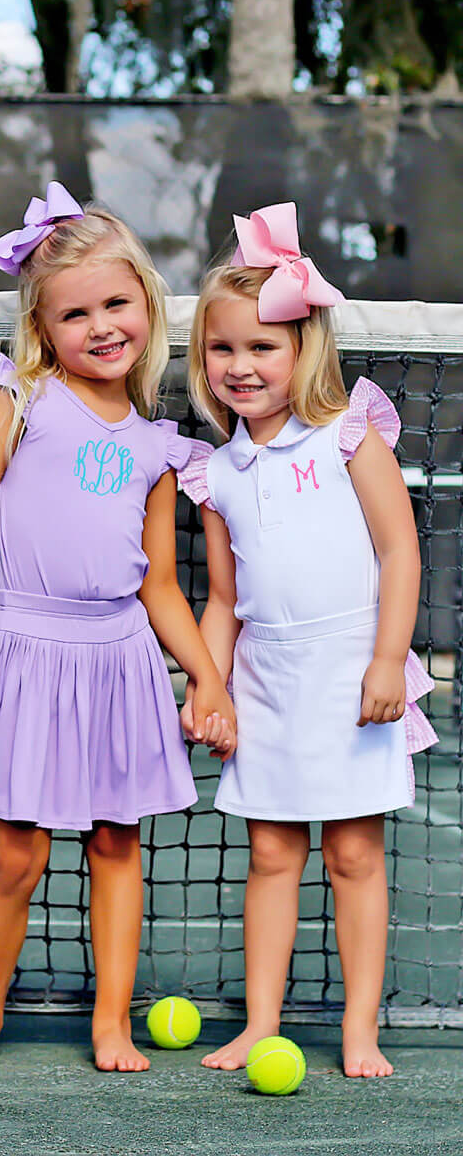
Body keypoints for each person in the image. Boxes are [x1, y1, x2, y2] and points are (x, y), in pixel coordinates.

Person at [0, 183, 235, 1070]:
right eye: (75, 314)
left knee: (117, 844)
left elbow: (160, 585)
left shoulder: (158, 445)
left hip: (121, 660)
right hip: (27, 655)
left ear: (146, 305)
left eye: (116, 304)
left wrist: (207, 676)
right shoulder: (20, 405)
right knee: (17, 853)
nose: (101, 326)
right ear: (42, 328)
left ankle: (111, 1024)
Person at [179, 202, 436, 1078]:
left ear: (303, 348)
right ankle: (260, 1024)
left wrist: (387, 659)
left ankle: (360, 1030)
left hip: (351, 673)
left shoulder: (347, 435)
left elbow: (399, 551)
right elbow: (223, 598)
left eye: (262, 346)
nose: (241, 365)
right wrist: (208, 686)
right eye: (223, 348)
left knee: (354, 854)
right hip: (266, 681)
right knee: (270, 853)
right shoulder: (214, 472)